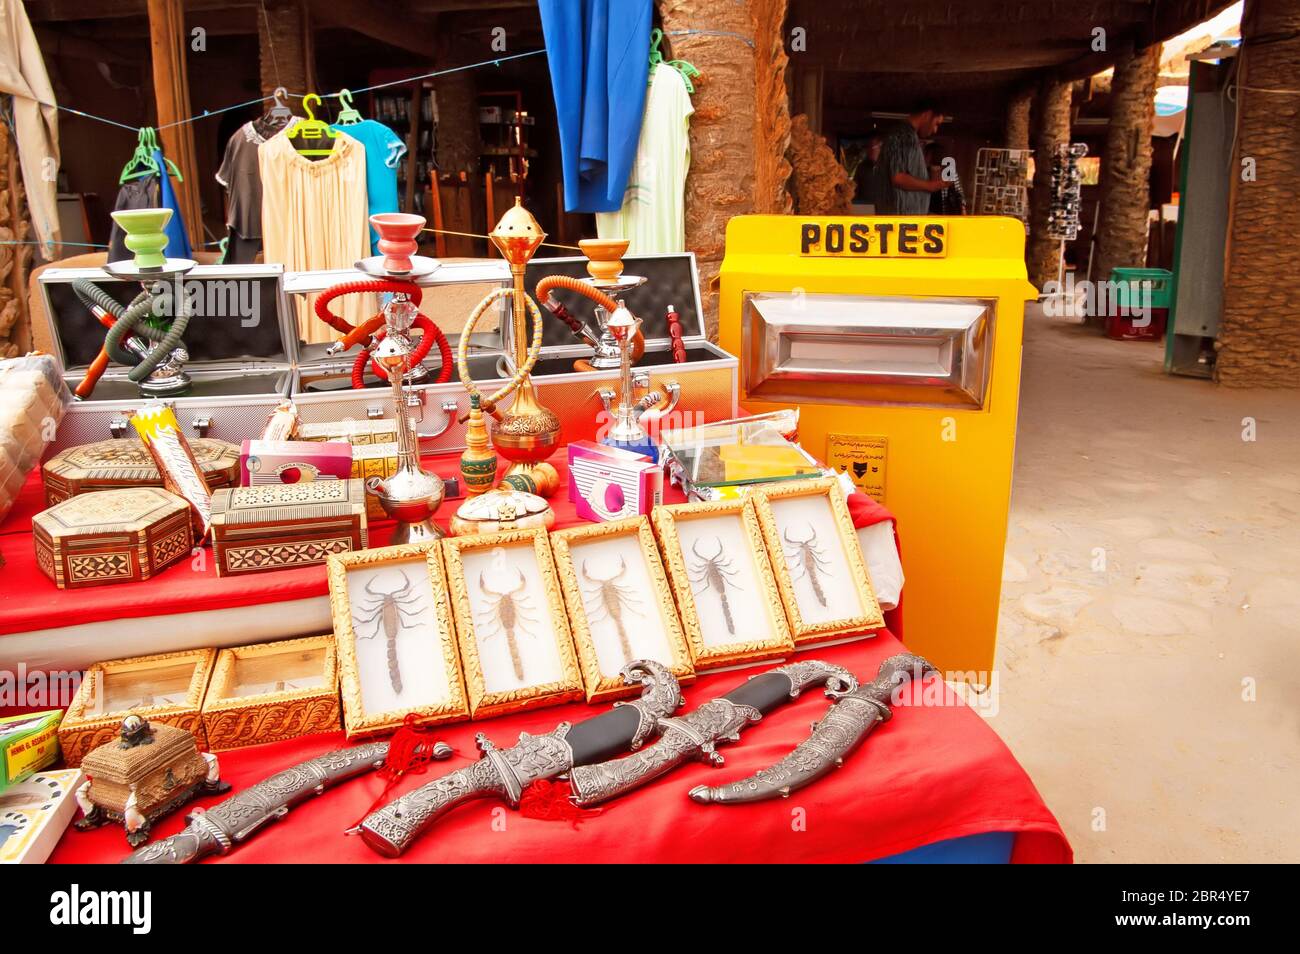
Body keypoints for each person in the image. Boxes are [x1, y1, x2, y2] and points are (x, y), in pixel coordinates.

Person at [870, 99, 949, 214]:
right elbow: (898, 178)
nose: (935, 130)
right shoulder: (903, 135)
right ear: (927, 115)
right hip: (900, 221)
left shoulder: (908, 136)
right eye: (936, 123)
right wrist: (930, 185)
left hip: (904, 219)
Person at [925, 141, 967, 215]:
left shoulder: (949, 172)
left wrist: (963, 209)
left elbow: (959, 193)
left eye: (926, 154)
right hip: (927, 213)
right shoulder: (923, 172)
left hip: (944, 212)